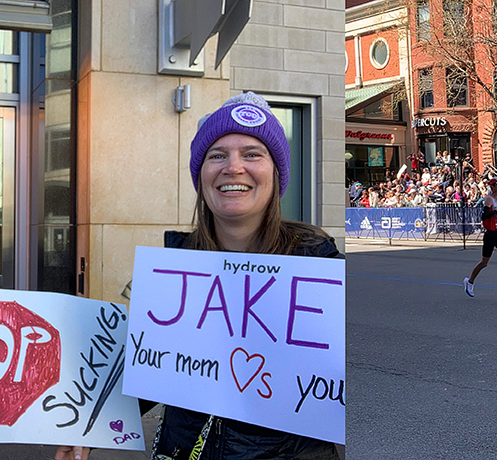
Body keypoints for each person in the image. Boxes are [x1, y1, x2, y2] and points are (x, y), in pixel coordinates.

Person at [117, 92, 343, 459]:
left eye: (252, 154)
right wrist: (88, 425)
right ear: (201, 174)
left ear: (276, 173)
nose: (233, 167)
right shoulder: (175, 268)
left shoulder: (320, 264)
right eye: (217, 155)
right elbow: (149, 372)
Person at [464, 177, 497, 300]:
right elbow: (485, 216)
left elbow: (495, 218)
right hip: (490, 235)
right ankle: (469, 281)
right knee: (484, 263)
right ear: (493, 186)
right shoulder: (489, 199)